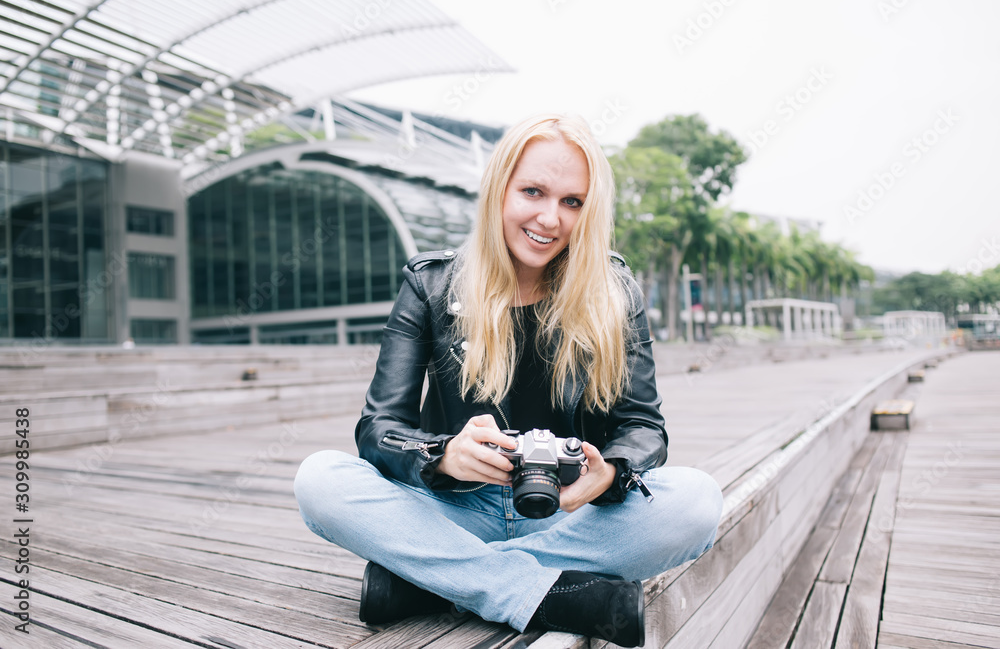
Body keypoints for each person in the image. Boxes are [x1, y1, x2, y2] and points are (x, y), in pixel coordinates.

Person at [294, 113, 723, 647]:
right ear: (500, 189)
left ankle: (436, 582)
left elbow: (643, 425)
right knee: (319, 479)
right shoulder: (430, 284)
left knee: (699, 500)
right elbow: (379, 427)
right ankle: (556, 594)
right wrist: (443, 455)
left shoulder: (616, 291)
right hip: (452, 510)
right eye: (533, 192)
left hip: (569, 514)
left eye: (572, 202)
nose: (550, 218)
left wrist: (610, 473)